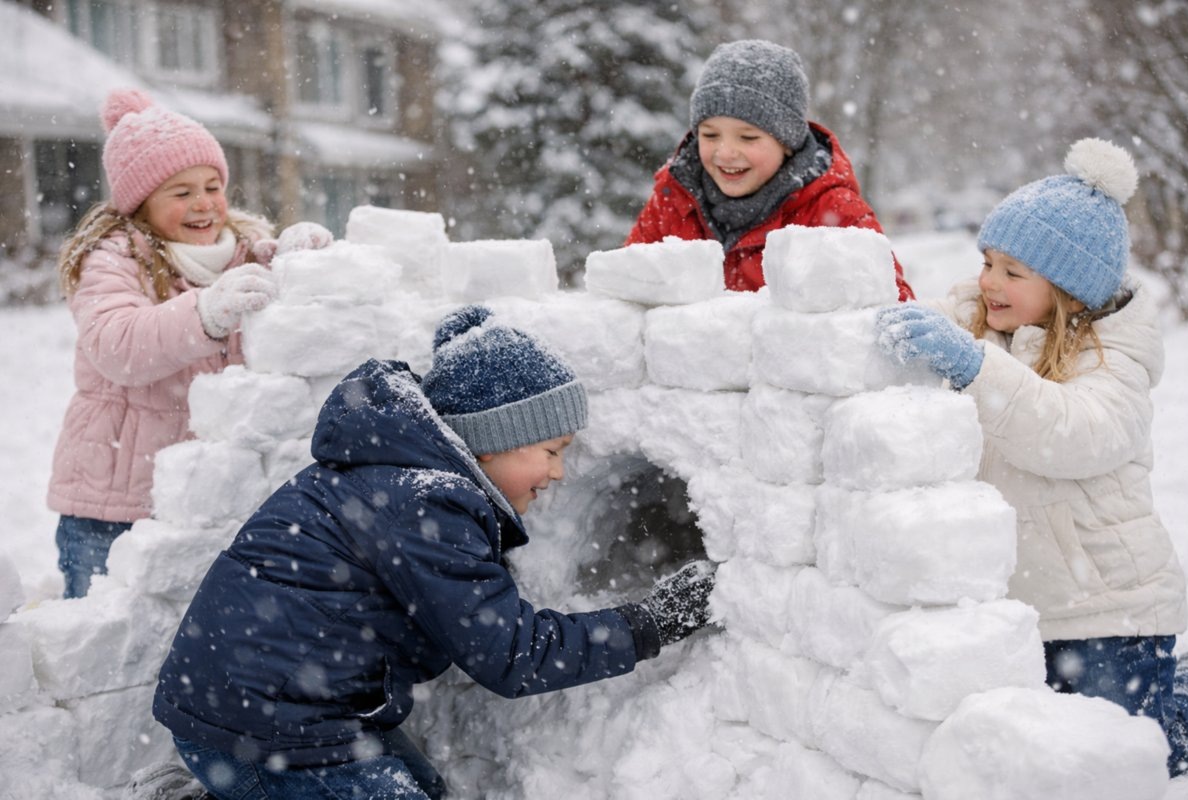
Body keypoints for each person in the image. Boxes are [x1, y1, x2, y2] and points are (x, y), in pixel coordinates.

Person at [151, 305, 717, 799]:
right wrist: (652, 622)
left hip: (277, 707)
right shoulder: (425, 505)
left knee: (425, 788)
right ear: (493, 441)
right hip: (267, 727)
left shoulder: (403, 477)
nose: (559, 472)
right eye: (551, 450)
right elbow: (512, 656)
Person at [875, 138, 1188, 776]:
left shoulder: (1114, 359)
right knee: (1034, 761)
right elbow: (904, 328)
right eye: (988, 261)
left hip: (1108, 608)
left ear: (1070, 293)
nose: (990, 281)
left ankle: (1187, 696)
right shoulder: (973, 319)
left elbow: (1075, 434)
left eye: (1013, 272)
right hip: (1013, 607)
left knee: (1134, 759)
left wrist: (979, 371)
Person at [45, 89, 332, 599]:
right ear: (140, 203)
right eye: (180, 192)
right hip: (116, 504)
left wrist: (303, 266)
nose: (203, 204)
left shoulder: (247, 253)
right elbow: (118, 346)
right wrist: (205, 312)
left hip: (210, 498)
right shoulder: (112, 260)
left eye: (212, 185)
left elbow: (312, 336)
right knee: (105, 650)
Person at [625, 39, 913, 300]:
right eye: (710, 135)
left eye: (748, 137)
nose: (725, 152)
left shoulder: (835, 212)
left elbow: (891, 307)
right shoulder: (672, 201)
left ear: (787, 142)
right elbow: (623, 290)